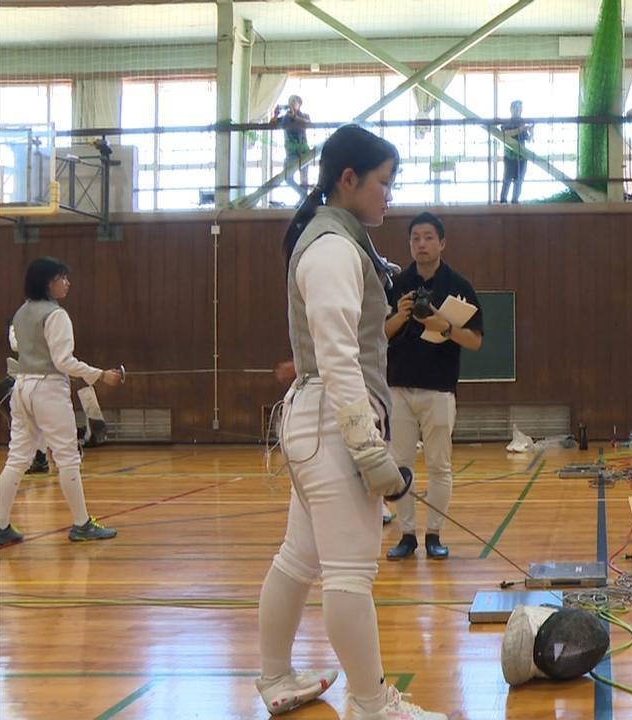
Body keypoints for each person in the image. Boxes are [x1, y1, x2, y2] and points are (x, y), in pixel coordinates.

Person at [257, 124, 444, 719]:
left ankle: (277, 676)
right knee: (349, 571)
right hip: (334, 420)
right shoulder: (333, 247)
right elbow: (337, 356)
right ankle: (372, 704)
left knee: (300, 558)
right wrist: (368, 449)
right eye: (383, 183)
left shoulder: (338, 239)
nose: (389, 194)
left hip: (318, 421)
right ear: (348, 180)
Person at [0, 257, 123, 547]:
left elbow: (19, 346)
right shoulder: (56, 315)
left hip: (21, 388)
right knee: (68, 457)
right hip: (48, 390)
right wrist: (100, 375)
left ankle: (0, 526)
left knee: (17, 458)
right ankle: (81, 524)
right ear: (47, 282)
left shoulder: (21, 313)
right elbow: (63, 361)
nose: (67, 282)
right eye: (61, 277)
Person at [384, 212, 484, 561]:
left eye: (428, 237)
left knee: (440, 465)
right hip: (398, 387)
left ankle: (434, 535)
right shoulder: (396, 285)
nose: (421, 244)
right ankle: (407, 534)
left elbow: (475, 342)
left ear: (442, 242)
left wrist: (444, 327)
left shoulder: (459, 285)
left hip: (440, 389)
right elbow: (377, 335)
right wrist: (400, 314)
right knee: (400, 465)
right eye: (415, 238)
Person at [275, 95, 312, 202]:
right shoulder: (285, 118)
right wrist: (275, 114)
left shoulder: (304, 116)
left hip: (304, 151)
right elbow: (272, 123)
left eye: (294, 101)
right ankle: (304, 196)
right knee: (287, 177)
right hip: (291, 153)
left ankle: (303, 202)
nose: (291, 103)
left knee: (304, 179)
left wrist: (295, 117)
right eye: (290, 101)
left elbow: (308, 122)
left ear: (299, 104)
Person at [499, 100, 532, 204]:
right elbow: (505, 134)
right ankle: (503, 202)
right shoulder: (506, 122)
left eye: (520, 109)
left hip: (522, 156)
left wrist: (531, 132)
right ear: (511, 109)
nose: (519, 111)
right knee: (507, 180)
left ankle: (515, 201)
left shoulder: (522, 123)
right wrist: (521, 129)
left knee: (519, 181)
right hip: (510, 156)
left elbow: (528, 139)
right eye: (517, 109)